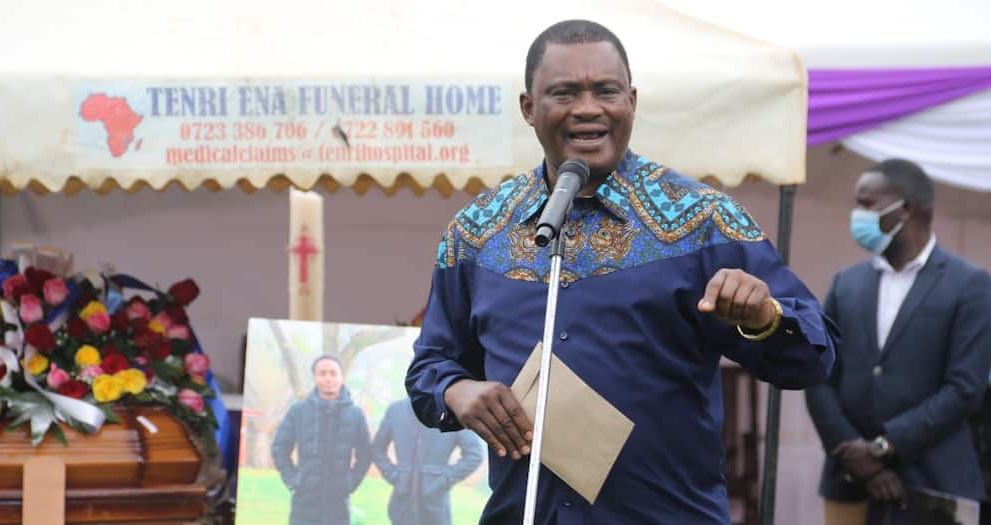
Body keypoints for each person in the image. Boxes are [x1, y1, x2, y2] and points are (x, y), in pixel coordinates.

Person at [405, 19, 837, 524]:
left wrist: (764, 316)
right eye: (565, 93)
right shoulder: (476, 233)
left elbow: (817, 356)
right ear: (529, 107)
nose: (589, 108)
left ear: (631, 100)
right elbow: (429, 366)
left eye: (605, 91)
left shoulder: (703, 222)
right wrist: (457, 392)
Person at [805, 159, 991, 525]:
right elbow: (819, 376)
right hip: (849, 481)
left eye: (866, 203)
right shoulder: (846, 283)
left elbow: (965, 389)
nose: (857, 215)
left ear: (904, 209)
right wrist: (856, 459)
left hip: (936, 486)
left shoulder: (970, 285)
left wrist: (884, 447)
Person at [271, 354, 372, 525]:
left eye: (333, 373)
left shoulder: (355, 414)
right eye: (322, 373)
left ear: (342, 377)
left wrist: (350, 483)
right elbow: (280, 448)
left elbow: (366, 455)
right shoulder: (298, 411)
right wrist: (293, 481)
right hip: (303, 504)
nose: (328, 378)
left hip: (338, 506)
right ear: (315, 377)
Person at [373, 398, 484, 525]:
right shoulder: (396, 410)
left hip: (435, 506)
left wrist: (444, 479)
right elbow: (378, 449)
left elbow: (474, 455)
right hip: (402, 503)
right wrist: (394, 476)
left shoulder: (453, 412)